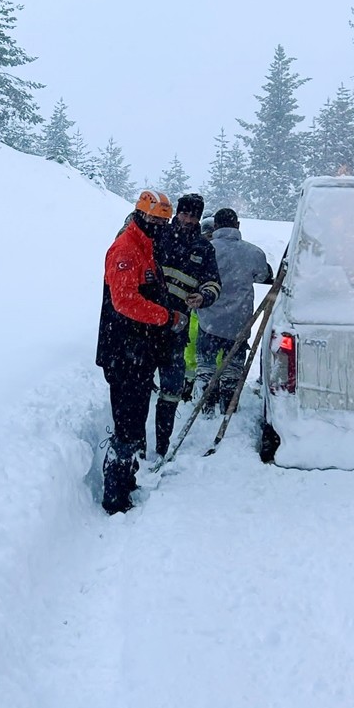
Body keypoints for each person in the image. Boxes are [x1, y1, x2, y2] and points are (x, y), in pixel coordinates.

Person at [95, 190, 189, 514]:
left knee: (135, 421)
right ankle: (115, 496)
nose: (159, 226)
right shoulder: (125, 249)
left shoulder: (146, 247)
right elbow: (125, 301)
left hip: (140, 352)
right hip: (123, 353)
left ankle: (127, 480)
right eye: (154, 220)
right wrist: (166, 316)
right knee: (126, 426)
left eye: (164, 221)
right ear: (140, 215)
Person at [151, 193, 221, 456]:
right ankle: (136, 444)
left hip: (177, 329)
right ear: (176, 213)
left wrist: (204, 296)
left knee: (171, 391)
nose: (188, 219)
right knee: (140, 386)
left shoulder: (204, 248)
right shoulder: (158, 235)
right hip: (146, 326)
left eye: (194, 216)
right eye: (185, 214)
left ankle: (162, 446)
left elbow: (213, 282)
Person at [194, 207, 274, 416]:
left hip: (209, 318)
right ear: (237, 225)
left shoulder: (206, 249)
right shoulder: (254, 253)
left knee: (207, 363)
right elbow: (263, 276)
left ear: (215, 226)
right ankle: (229, 401)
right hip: (239, 321)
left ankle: (206, 402)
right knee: (233, 365)